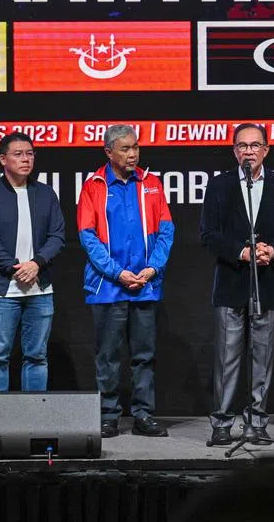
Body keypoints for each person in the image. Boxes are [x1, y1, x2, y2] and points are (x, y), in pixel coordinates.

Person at [200, 123, 274, 446]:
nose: (249, 151)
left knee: (262, 357)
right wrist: (241, 252)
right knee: (227, 358)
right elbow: (208, 235)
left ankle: (257, 422)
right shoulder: (220, 186)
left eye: (255, 145)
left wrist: (272, 250)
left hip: (269, 283)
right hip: (231, 282)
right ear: (234, 151)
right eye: (242, 146)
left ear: (266, 150)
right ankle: (222, 423)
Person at [78, 124, 174, 438]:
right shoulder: (93, 186)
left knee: (144, 356)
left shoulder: (152, 184)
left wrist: (152, 269)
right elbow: (88, 238)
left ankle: (143, 415)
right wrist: (117, 272)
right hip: (108, 287)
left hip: (145, 285)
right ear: (108, 152)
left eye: (135, 147)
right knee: (107, 357)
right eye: (125, 148)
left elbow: (166, 232)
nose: (132, 154)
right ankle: (108, 416)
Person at [0, 132, 65, 398]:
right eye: (18, 154)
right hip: (2, 290)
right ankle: (0, 420)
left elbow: (58, 236)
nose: (26, 159)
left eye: (30, 153)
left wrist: (36, 264)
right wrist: (16, 268)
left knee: (37, 356)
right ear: (3, 159)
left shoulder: (46, 194)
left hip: (40, 288)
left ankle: (31, 418)